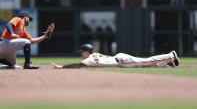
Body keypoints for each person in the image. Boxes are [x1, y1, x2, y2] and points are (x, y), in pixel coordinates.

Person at [51, 44, 179, 69]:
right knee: (146, 64)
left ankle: (170, 55)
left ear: (86, 51)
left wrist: (62, 67)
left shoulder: (91, 58)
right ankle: (164, 62)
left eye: (82, 51)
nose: (81, 53)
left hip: (122, 61)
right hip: (120, 58)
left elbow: (79, 65)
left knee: (145, 62)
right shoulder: (95, 54)